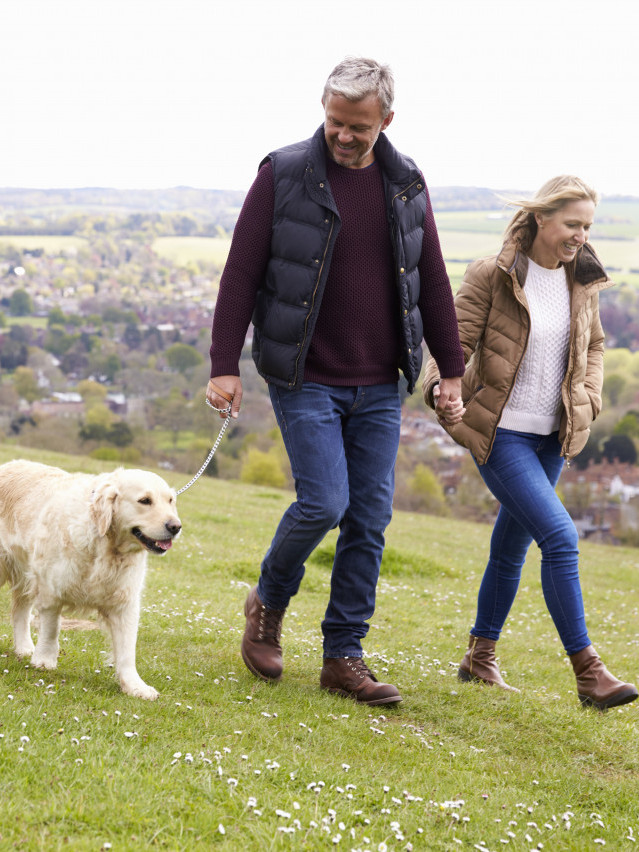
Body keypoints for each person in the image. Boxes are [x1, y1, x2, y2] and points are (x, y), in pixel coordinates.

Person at [206, 57, 465, 706]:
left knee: (369, 517)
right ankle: (267, 601)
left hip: (380, 380)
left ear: (386, 119)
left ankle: (342, 657)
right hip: (304, 374)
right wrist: (222, 365)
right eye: (333, 122)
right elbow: (240, 273)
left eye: (357, 126)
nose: (342, 136)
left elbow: (430, 279)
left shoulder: (405, 182)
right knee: (324, 503)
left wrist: (451, 371)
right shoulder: (284, 173)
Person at [423, 175, 638, 711]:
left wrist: (587, 398)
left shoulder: (581, 281)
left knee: (511, 546)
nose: (579, 236)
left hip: (551, 438)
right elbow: (454, 340)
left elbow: (593, 345)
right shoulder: (491, 275)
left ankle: (479, 655)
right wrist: (437, 387)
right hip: (501, 434)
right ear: (541, 218)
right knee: (561, 538)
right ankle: (589, 672)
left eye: (587, 226)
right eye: (572, 224)